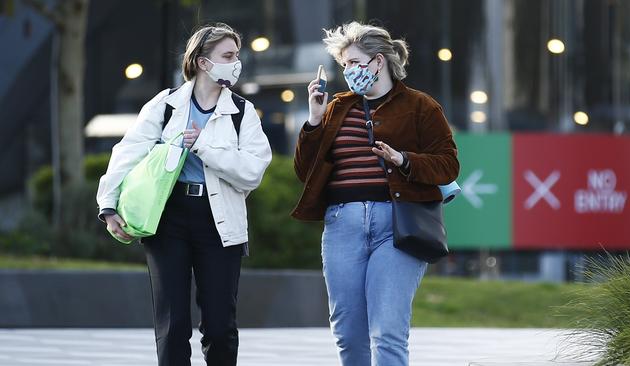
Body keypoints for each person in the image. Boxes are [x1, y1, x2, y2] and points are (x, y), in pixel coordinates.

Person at [96, 23, 272, 366]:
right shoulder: (165, 105)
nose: (236, 62)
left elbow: (253, 171)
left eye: (236, 55)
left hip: (219, 222)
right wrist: (108, 203)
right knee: (173, 325)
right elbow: (127, 152)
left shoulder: (242, 112)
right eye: (229, 56)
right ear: (204, 62)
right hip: (169, 218)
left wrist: (203, 145)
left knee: (220, 328)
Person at [292, 22, 460, 366]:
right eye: (344, 65)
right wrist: (313, 119)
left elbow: (448, 165)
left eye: (355, 62)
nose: (349, 71)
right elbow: (305, 171)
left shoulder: (420, 106)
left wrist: (402, 159)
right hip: (342, 224)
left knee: (387, 331)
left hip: (397, 225)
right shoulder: (337, 107)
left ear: (379, 61)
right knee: (348, 333)